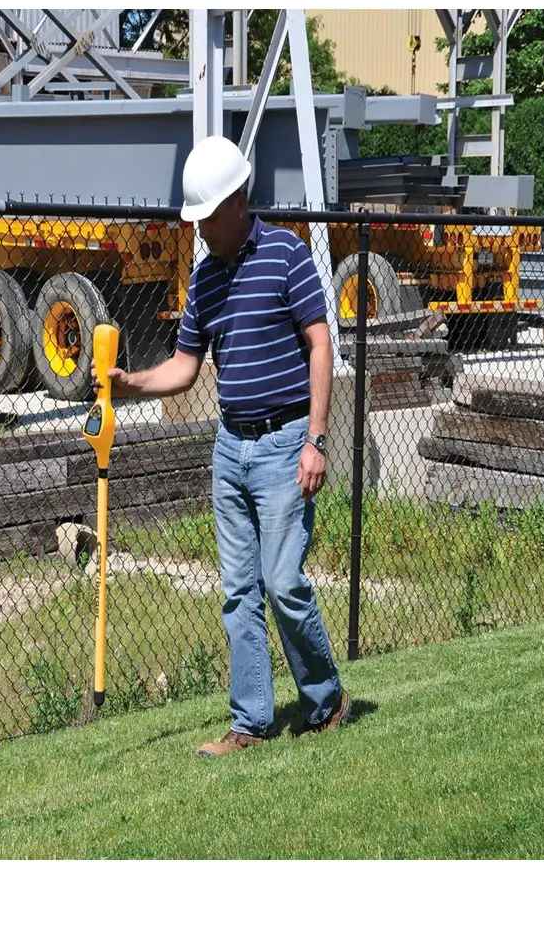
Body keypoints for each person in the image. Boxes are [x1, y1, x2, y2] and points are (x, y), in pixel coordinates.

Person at [92, 134, 349, 757]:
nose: (200, 229)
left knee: (282, 581)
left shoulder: (287, 255)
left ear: (237, 202)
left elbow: (321, 346)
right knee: (238, 591)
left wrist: (316, 440)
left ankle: (326, 699)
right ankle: (249, 723)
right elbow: (184, 366)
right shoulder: (204, 278)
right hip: (230, 449)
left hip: (288, 441)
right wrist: (131, 385)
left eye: (207, 216)